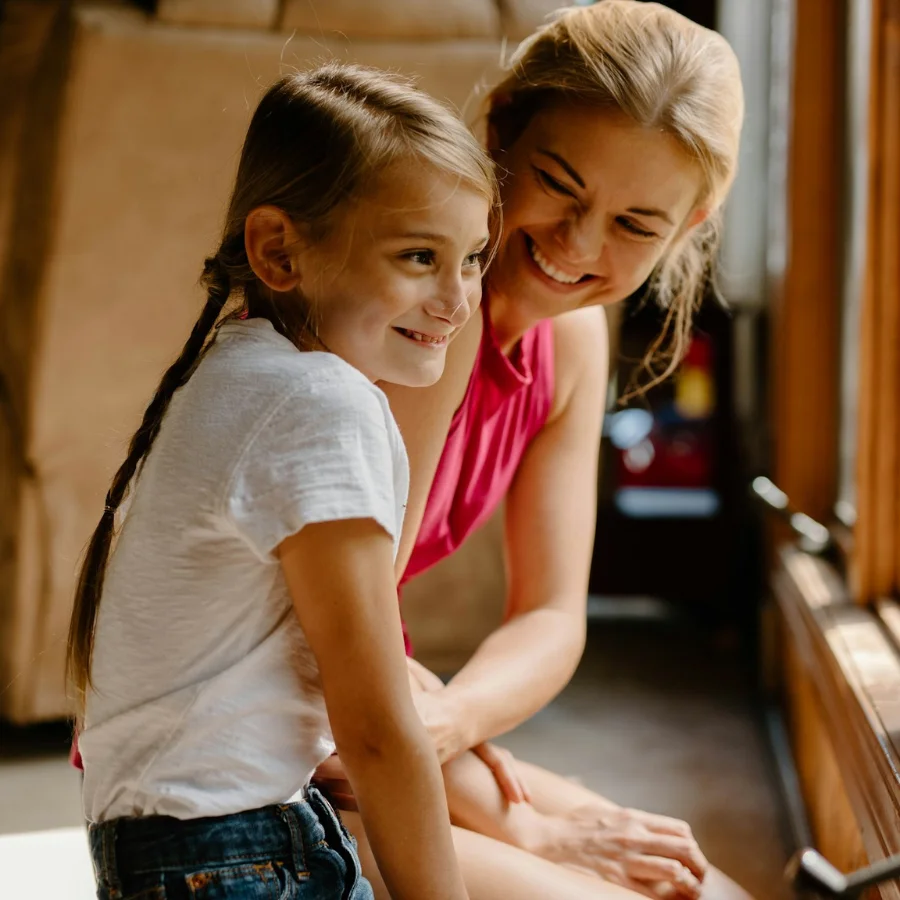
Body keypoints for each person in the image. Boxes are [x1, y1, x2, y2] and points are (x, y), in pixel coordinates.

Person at [313, 4, 751, 899]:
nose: (578, 245)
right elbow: (321, 648)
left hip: (361, 723)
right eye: (559, 184)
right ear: (499, 124)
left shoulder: (574, 341)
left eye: (636, 225)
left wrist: (453, 722)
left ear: (691, 223)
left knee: (699, 888)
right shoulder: (429, 314)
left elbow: (550, 615)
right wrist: (526, 825)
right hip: (246, 754)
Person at [65, 62, 499, 900]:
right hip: (234, 856)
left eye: (474, 258)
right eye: (419, 256)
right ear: (278, 250)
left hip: (179, 848)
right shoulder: (319, 401)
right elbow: (373, 728)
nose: (457, 300)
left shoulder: (238, 371)